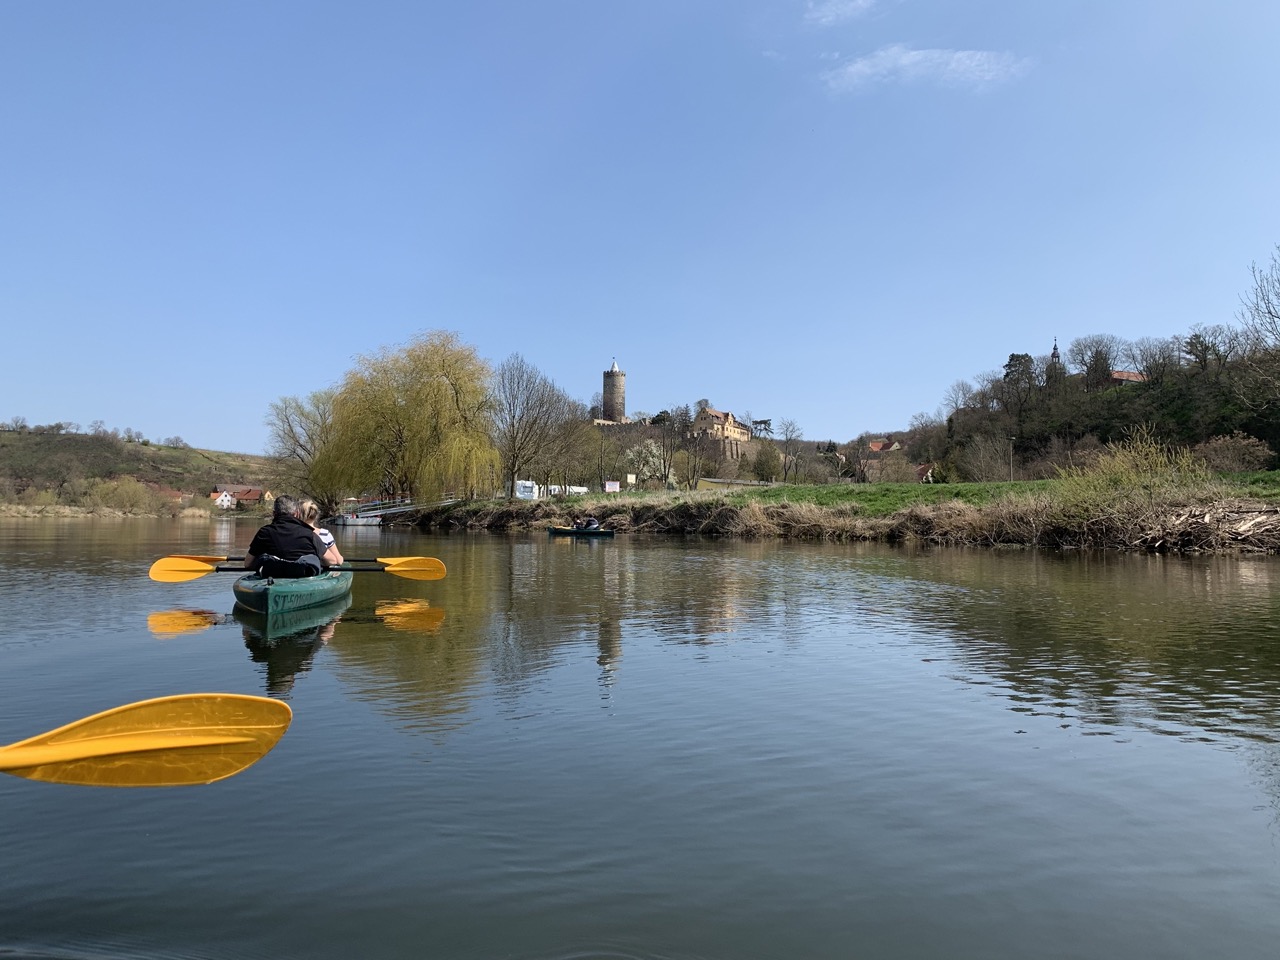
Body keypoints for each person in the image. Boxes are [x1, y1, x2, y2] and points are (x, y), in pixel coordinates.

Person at [244, 494, 341, 578]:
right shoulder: (309, 533)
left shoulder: (263, 532)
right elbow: (332, 561)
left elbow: (247, 564)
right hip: (303, 576)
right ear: (296, 513)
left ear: (274, 514)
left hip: (272, 576)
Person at [299, 498, 344, 565]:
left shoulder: (294, 533)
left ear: (299, 515)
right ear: (316, 516)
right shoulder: (325, 534)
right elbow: (339, 561)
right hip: (318, 568)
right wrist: (341, 558)